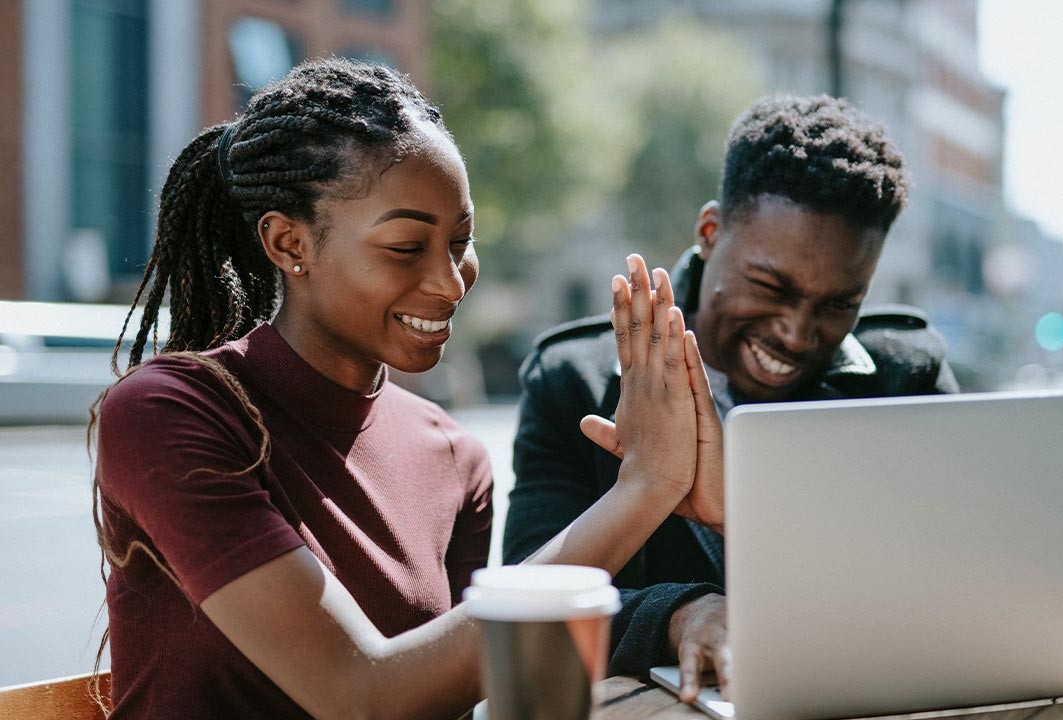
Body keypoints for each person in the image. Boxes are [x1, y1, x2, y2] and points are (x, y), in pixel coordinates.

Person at [91, 58, 717, 720]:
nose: (451, 283)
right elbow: (363, 695)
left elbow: (448, 694)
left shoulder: (454, 456)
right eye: (406, 247)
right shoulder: (170, 411)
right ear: (288, 242)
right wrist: (644, 490)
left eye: (462, 240)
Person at [503, 95, 959, 701]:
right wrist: (679, 614)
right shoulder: (574, 382)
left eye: (837, 305)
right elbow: (529, 595)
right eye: (771, 286)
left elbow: (954, 575)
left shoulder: (907, 375)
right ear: (711, 232)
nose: (797, 334)